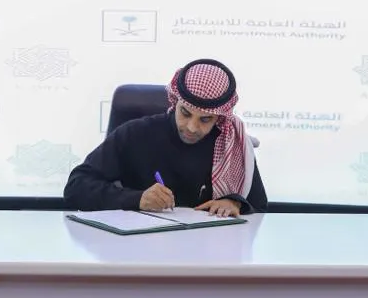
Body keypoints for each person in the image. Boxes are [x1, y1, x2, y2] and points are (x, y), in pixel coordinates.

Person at [63, 58, 268, 217]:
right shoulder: (136, 133)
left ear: (219, 118)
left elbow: (258, 205)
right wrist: (136, 199)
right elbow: (76, 187)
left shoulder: (232, 143)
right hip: (139, 248)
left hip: (207, 251)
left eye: (205, 119)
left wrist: (233, 203)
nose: (192, 127)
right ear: (175, 102)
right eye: (185, 113)